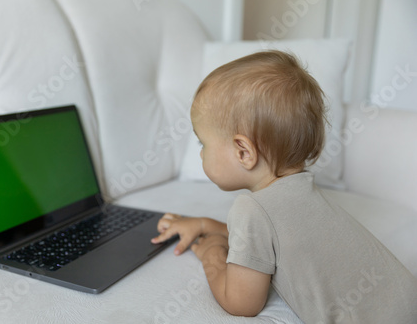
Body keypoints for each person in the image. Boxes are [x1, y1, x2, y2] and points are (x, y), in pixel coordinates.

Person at [151, 50, 417, 323]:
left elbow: (242, 303)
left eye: (202, 144)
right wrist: (207, 225)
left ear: (243, 152)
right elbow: (269, 239)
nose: (200, 154)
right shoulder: (303, 192)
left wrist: (211, 254)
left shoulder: (251, 209)